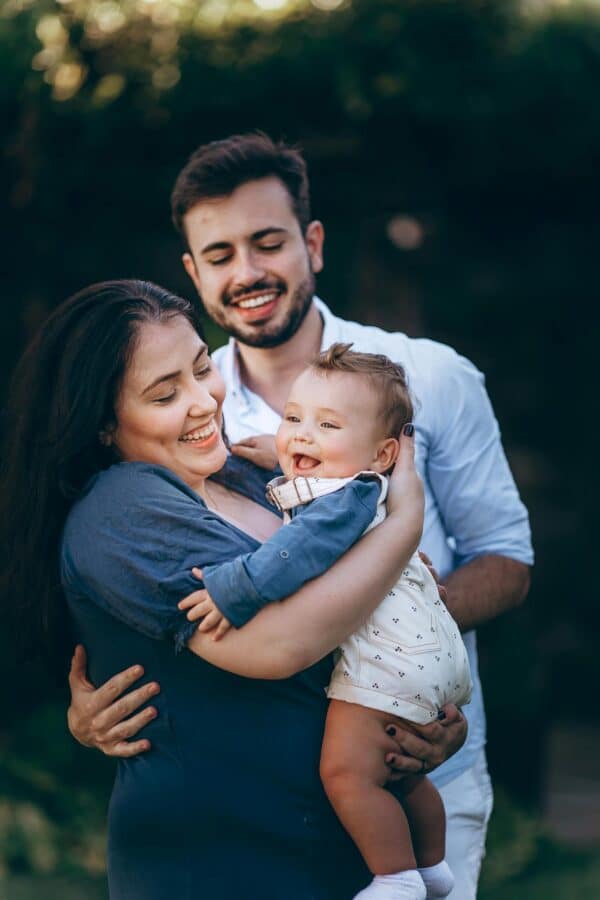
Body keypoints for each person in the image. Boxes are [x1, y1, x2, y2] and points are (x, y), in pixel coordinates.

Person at [66, 133, 533, 898]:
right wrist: (84, 711)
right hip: (284, 815)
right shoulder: (191, 402)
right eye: (219, 255)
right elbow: (130, 571)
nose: (247, 272)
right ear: (191, 271)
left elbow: (508, 560)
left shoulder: (430, 376)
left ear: (312, 244)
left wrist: (405, 657)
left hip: (430, 761)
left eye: (268, 243)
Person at [1, 279, 467, 900]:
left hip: (333, 856)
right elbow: (276, 646)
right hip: (226, 861)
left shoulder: (250, 478)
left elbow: (369, 611)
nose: (203, 401)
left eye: (202, 368)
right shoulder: (122, 507)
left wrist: (422, 717)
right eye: (165, 393)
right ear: (104, 424)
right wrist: (404, 520)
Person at [180, 342, 473, 900]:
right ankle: (433, 867)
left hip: (387, 660)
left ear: (384, 454)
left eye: (327, 425)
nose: (301, 435)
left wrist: (233, 589)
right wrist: (282, 448)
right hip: (425, 654)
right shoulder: (362, 489)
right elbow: (311, 465)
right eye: (293, 418)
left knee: (347, 774)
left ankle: (397, 878)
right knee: (403, 774)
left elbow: (297, 549)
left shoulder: (343, 501)